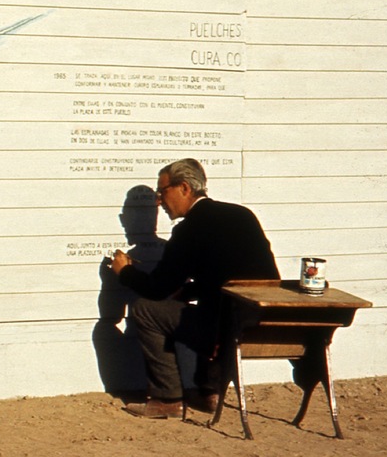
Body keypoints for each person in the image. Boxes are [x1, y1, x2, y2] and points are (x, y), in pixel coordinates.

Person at [109, 158, 279, 419]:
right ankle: (210, 391)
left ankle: (167, 399)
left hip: (222, 331)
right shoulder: (242, 215)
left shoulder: (188, 229)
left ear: (184, 188)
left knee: (145, 309)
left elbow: (156, 290)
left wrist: (125, 272)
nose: (159, 201)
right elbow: (242, 277)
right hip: (261, 324)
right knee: (209, 308)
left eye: (162, 192)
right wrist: (188, 292)